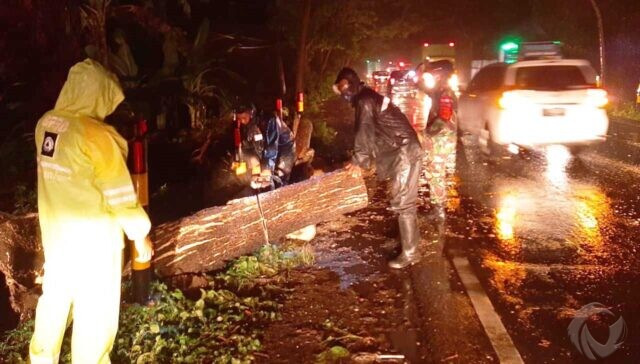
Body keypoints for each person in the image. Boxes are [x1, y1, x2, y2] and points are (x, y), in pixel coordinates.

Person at [29, 59, 153, 363]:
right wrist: (140, 236)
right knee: (95, 313)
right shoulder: (97, 137)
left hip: (57, 237)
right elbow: (121, 195)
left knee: (54, 301)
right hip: (95, 244)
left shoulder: (46, 124)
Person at [333, 67, 424, 269]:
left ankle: (411, 253)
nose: (342, 92)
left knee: (403, 202)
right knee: (403, 201)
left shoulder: (365, 101)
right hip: (401, 149)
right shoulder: (366, 97)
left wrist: (359, 161)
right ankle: (410, 245)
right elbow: (373, 132)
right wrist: (358, 159)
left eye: (343, 86)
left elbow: (364, 132)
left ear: (351, 83)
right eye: (340, 89)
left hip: (404, 152)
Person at [419, 60, 458, 218]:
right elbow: (424, 89)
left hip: (441, 138)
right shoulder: (439, 90)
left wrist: (426, 133)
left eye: (433, 74)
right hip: (439, 137)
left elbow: (444, 117)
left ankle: (438, 209)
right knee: (432, 170)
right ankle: (436, 205)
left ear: (440, 75)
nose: (430, 77)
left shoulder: (446, 94)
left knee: (436, 172)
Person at [236, 103, 296, 189]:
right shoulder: (246, 126)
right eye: (239, 119)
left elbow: (272, 145)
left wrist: (267, 169)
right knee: (261, 177)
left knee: (279, 176)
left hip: (284, 148)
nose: (242, 121)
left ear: (251, 114)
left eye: (244, 118)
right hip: (265, 148)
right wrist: (254, 161)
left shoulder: (269, 120)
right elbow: (247, 147)